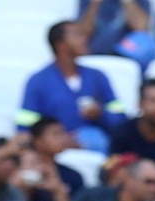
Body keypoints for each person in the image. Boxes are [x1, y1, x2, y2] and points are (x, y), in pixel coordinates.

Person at [18, 21, 127, 152]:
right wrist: (59, 141)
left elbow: (121, 120)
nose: (85, 39)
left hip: (100, 152)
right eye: (77, 35)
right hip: (54, 156)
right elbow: (26, 127)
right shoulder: (38, 81)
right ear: (60, 44)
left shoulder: (98, 77)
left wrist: (101, 113)